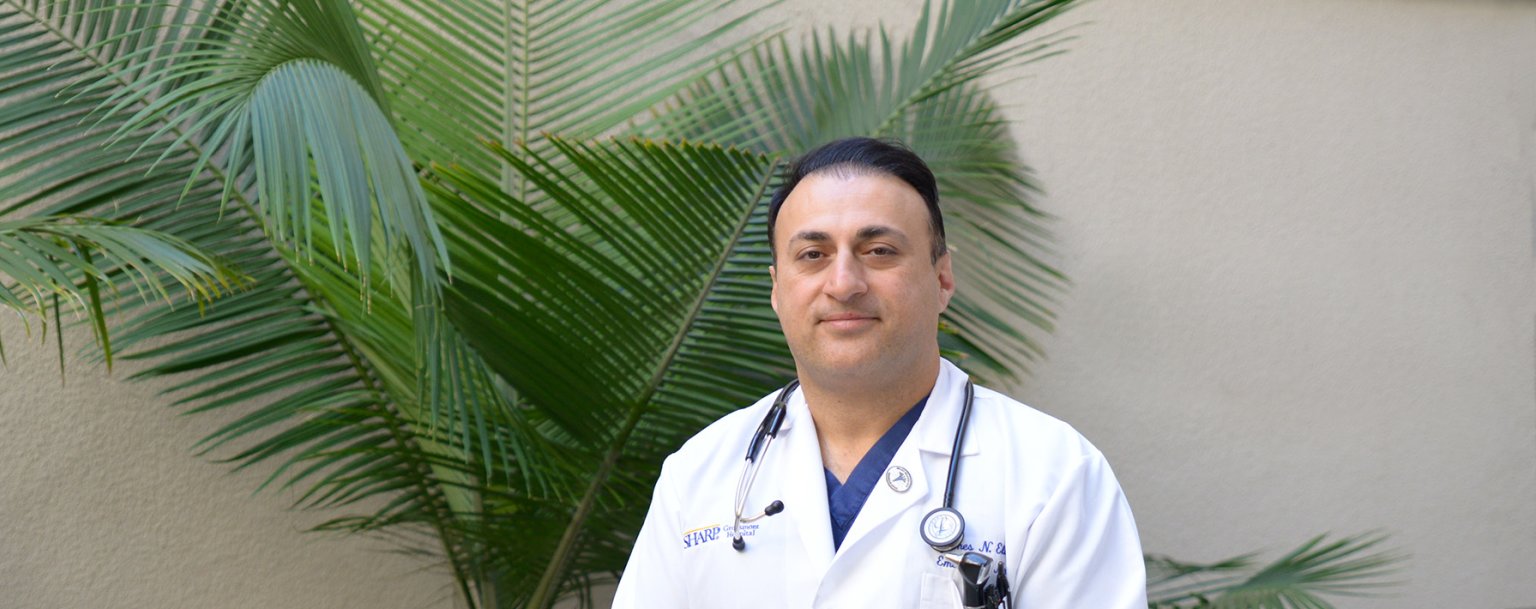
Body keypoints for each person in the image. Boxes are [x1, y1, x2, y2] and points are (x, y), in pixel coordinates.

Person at [613, 138, 1146, 608]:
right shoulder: (699, 475)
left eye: (880, 251)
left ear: (941, 278)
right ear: (777, 289)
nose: (843, 283)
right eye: (813, 254)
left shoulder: (1053, 476)